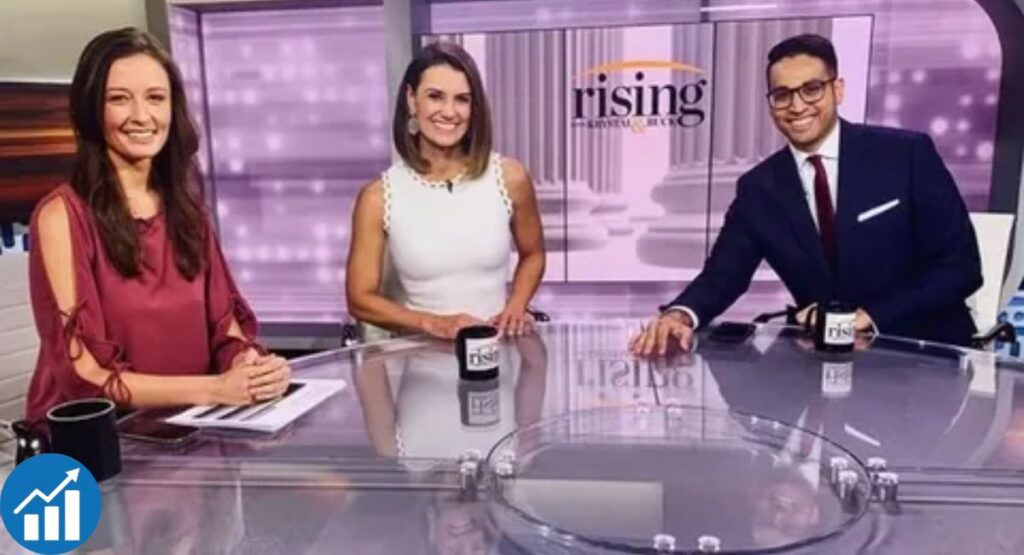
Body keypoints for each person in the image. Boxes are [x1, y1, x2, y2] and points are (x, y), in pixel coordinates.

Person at [631, 33, 982, 354]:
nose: (797, 106)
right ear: (771, 103)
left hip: (924, 356)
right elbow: (723, 274)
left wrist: (868, 317)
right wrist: (680, 314)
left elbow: (960, 267)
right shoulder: (758, 188)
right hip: (825, 366)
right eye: (782, 95)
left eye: (811, 88)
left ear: (837, 89)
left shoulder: (907, 155)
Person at [24, 28, 291, 423]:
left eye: (156, 98)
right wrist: (214, 389)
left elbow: (227, 330)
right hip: (91, 444)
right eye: (118, 99)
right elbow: (83, 376)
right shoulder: (61, 217)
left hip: (189, 426)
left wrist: (250, 368)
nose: (141, 116)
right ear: (90, 110)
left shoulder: (186, 211)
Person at [346, 42, 545, 340]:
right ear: (412, 100)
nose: (450, 112)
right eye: (435, 97)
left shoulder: (510, 177)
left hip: (496, 358)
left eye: (462, 99)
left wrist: (516, 306)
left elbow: (534, 254)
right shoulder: (377, 197)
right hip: (420, 366)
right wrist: (433, 323)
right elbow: (359, 299)